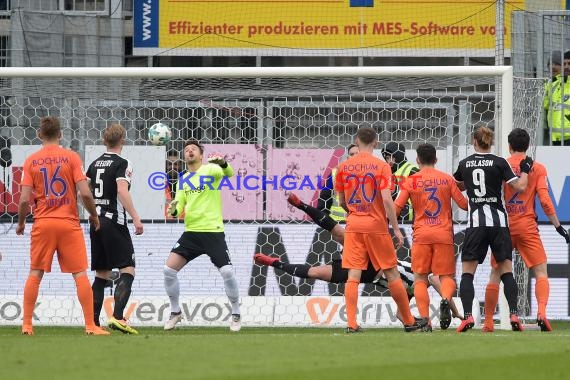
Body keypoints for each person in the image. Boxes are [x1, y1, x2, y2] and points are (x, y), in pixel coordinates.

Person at [256, 192, 465, 325]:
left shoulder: (407, 294)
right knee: (339, 234)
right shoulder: (423, 277)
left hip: (369, 275)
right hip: (377, 262)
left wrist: (418, 322)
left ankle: (274, 262)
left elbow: (401, 316)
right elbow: (437, 282)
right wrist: (455, 313)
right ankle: (301, 205)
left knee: (315, 273)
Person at [16, 116, 108, 336]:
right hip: (68, 223)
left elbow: (23, 200)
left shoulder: (31, 161)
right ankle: (90, 326)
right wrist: (94, 216)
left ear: (39, 135)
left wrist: (20, 223)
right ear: (60, 134)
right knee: (80, 274)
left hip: (43, 223)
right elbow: (85, 193)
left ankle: (27, 325)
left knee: (35, 272)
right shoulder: (71, 157)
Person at [336, 126, 427, 333]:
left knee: (353, 275)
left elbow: (342, 200)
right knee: (392, 273)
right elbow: (387, 199)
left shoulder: (344, 166)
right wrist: (395, 228)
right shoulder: (382, 166)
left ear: (356, 142)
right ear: (376, 143)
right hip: (376, 225)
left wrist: (352, 212)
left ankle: (351, 324)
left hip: (354, 225)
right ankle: (409, 321)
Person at [481, 128, 570, 332]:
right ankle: (541, 313)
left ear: (509, 146)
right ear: (528, 146)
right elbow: (546, 201)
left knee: (496, 273)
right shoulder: (537, 168)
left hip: (504, 225)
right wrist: (558, 226)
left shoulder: (500, 165)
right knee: (540, 271)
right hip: (528, 226)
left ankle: (487, 322)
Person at [453, 125, 532, 333]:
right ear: (491, 142)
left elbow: (458, 185)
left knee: (467, 274)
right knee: (506, 271)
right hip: (499, 224)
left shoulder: (465, 163)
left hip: (476, 224)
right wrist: (525, 170)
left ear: (474, 142)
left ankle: (468, 317)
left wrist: (468, 186)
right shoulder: (500, 162)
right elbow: (520, 186)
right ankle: (514, 313)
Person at [163, 140, 241, 331]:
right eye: (187, 150)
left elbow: (229, 173)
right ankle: (175, 312)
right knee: (168, 271)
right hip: (191, 233)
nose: (189, 152)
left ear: (200, 155)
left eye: (193, 150)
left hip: (212, 231)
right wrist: (174, 210)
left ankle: (236, 313)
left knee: (227, 272)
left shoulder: (210, 170)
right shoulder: (182, 179)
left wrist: (222, 163)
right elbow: (179, 204)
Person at [394, 143, 468, 330]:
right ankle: (445, 298)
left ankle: (425, 320)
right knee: (446, 277)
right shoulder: (447, 179)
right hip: (443, 234)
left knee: (420, 279)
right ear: (435, 160)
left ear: (418, 160)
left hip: (421, 235)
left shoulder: (411, 181)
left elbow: (396, 208)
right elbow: (464, 204)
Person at [87, 124, 144, 335]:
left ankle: (92, 324)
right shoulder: (123, 163)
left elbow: (83, 191)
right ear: (123, 140)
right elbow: (122, 190)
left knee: (101, 274)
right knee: (127, 268)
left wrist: (92, 213)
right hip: (114, 221)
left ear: (104, 140)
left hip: (96, 222)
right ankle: (118, 318)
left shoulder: (94, 163)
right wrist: (136, 218)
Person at [317, 143, 359, 222]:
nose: (354, 156)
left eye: (357, 154)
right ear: (347, 158)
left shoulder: (372, 175)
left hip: (362, 223)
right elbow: (323, 201)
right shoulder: (334, 174)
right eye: (352, 154)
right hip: (338, 223)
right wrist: (326, 224)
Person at [382, 142, 419, 222]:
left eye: (392, 157)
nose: (390, 161)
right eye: (387, 158)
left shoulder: (413, 170)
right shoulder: (387, 172)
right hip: (390, 215)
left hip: (408, 217)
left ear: (399, 156)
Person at [543, 50, 570, 146]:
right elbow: (544, 106)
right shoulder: (551, 85)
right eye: (564, 64)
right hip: (554, 138)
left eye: (569, 63)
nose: (567, 66)